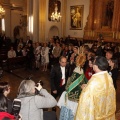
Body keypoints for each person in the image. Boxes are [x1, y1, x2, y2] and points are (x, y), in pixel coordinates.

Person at [57, 53, 88, 120]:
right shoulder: (81, 72)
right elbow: (86, 83)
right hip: (77, 98)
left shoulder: (75, 72)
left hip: (70, 99)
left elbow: (68, 85)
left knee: (67, 114)